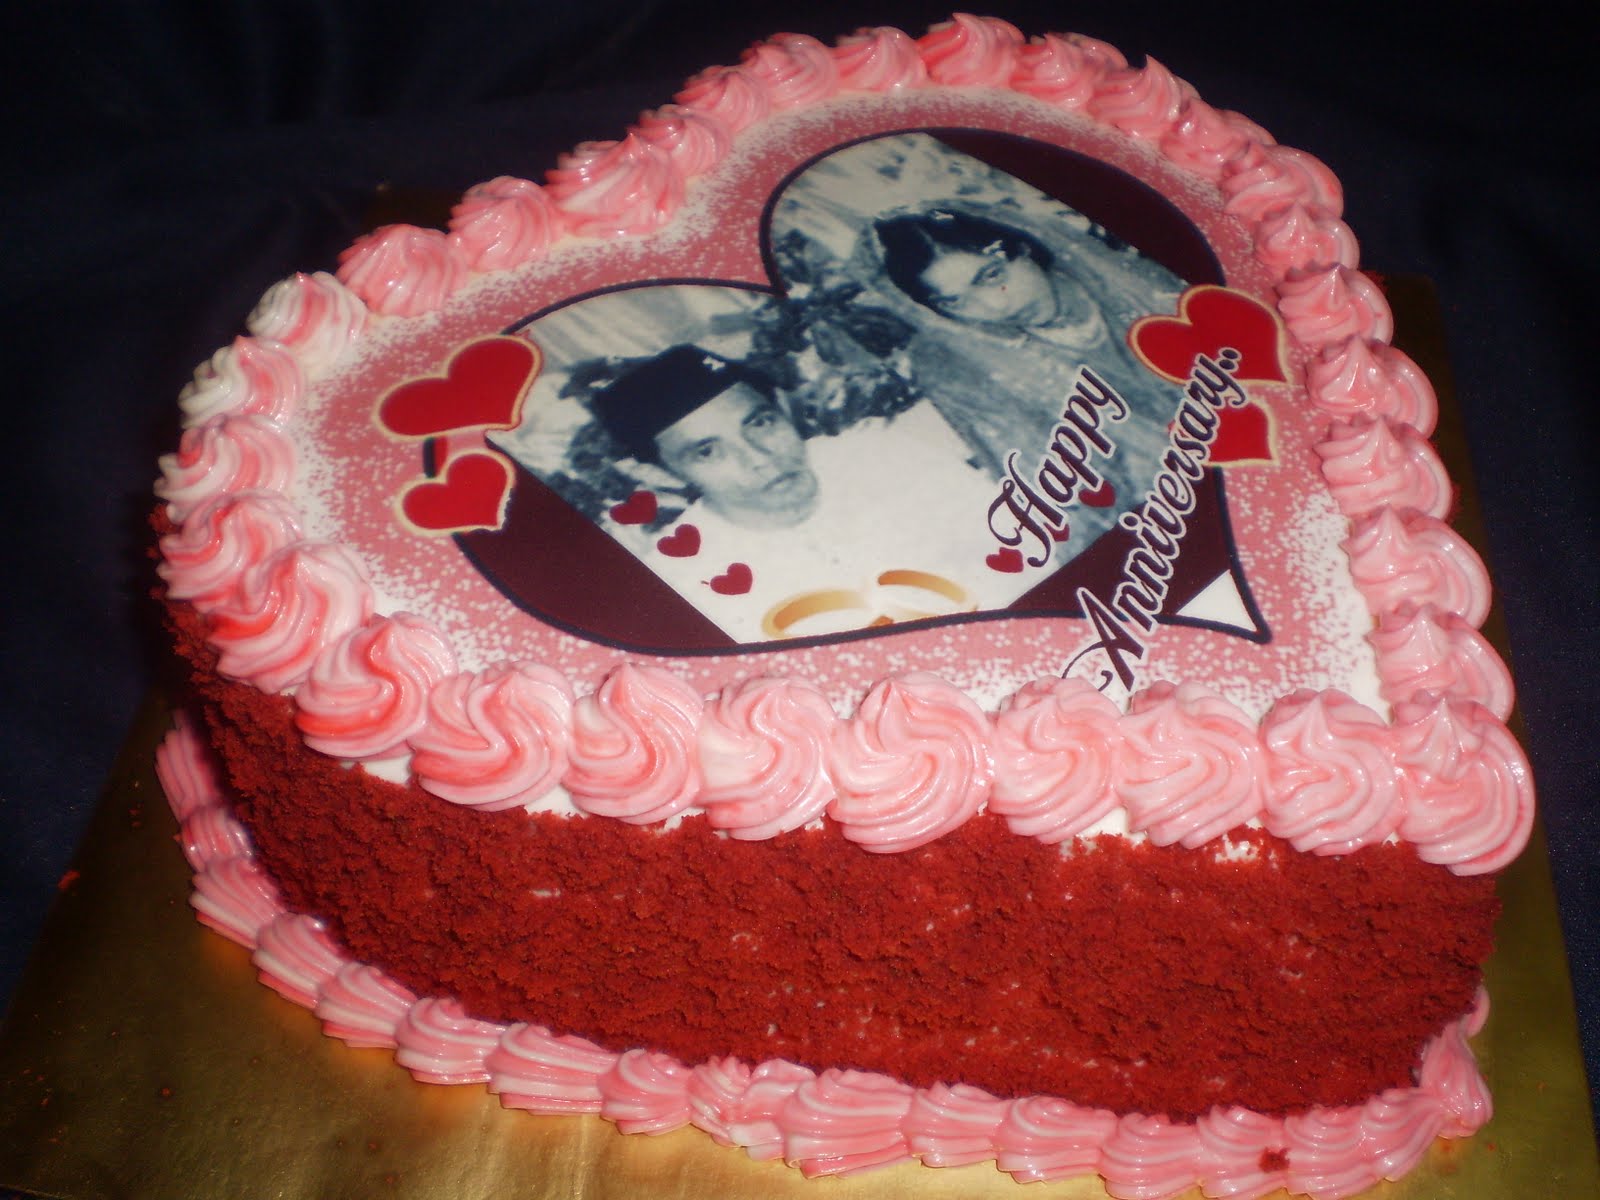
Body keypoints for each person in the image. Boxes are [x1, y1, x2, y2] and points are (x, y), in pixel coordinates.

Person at [590, 344, 819, 531]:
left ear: (784, 407)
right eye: (707, 452)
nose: (761, 458)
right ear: (662, 475)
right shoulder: (685, 568)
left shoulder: (842, 453)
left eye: (761, 423)